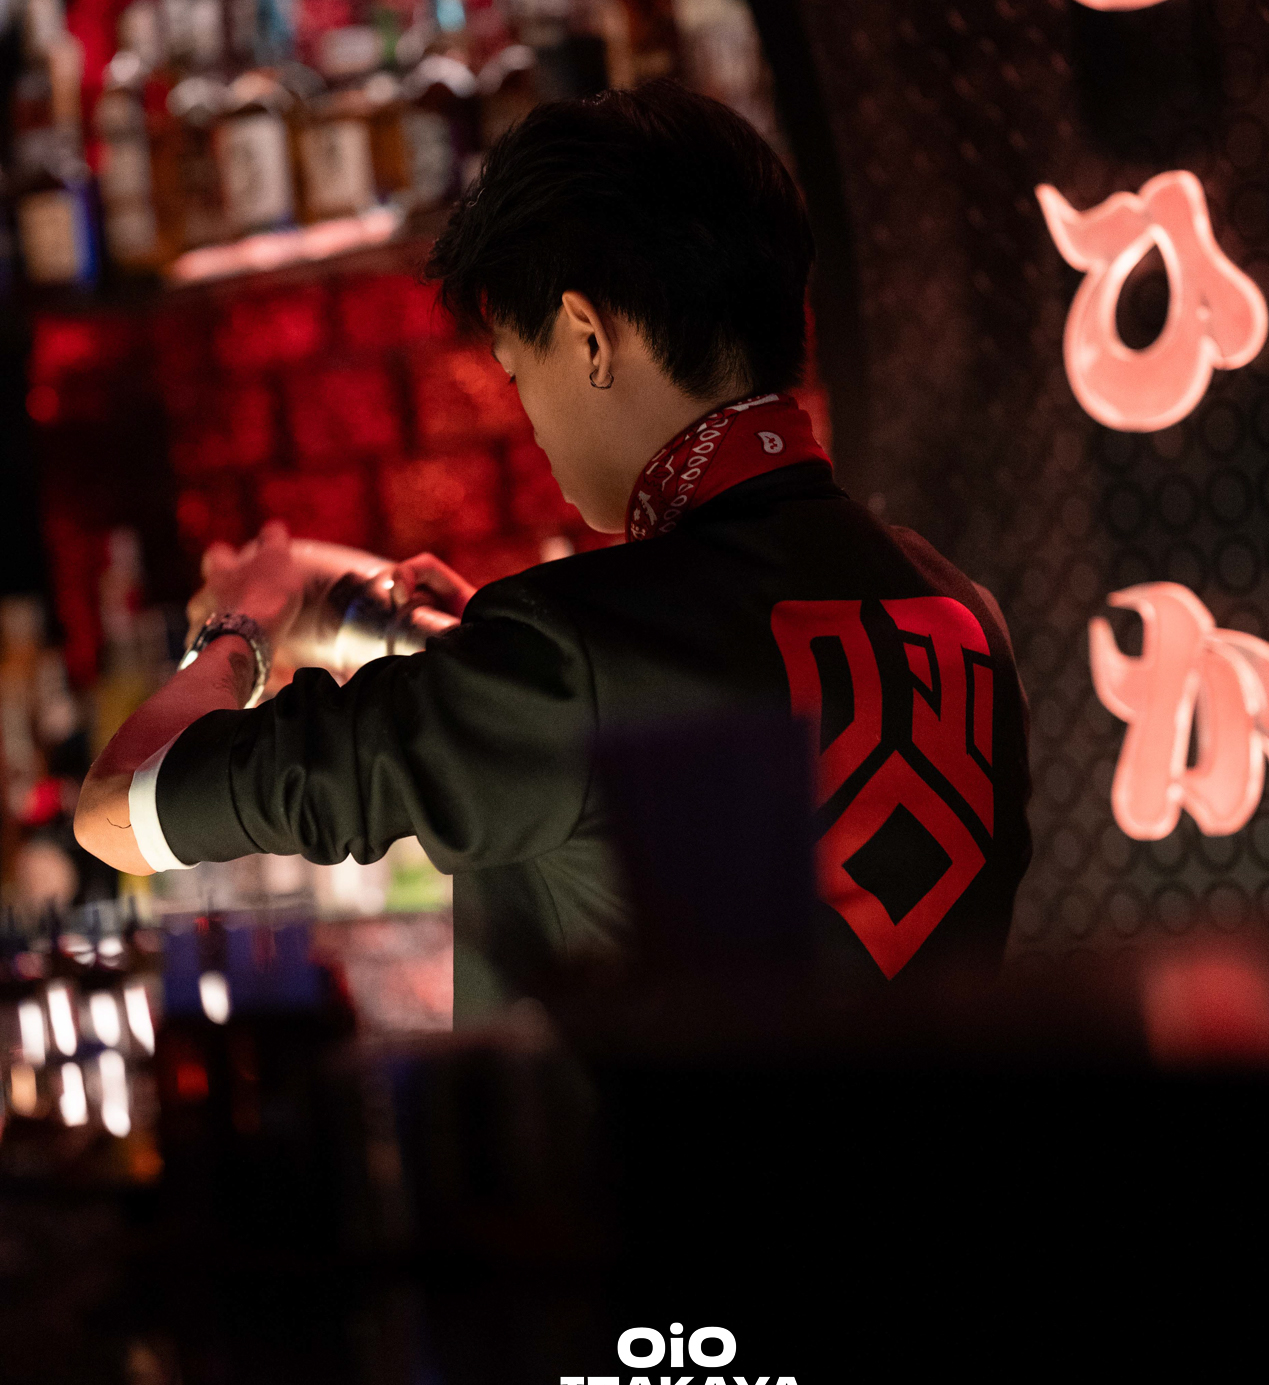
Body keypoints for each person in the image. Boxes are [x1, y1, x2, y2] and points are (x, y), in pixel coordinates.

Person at [76, 81, 1031, 994]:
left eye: (514, 367)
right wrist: (458, 646)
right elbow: (675, 736)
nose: (528, 414)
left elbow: (122, 808)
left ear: (585, 334)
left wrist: (244, 624)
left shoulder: (569, 654)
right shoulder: (956, 614)